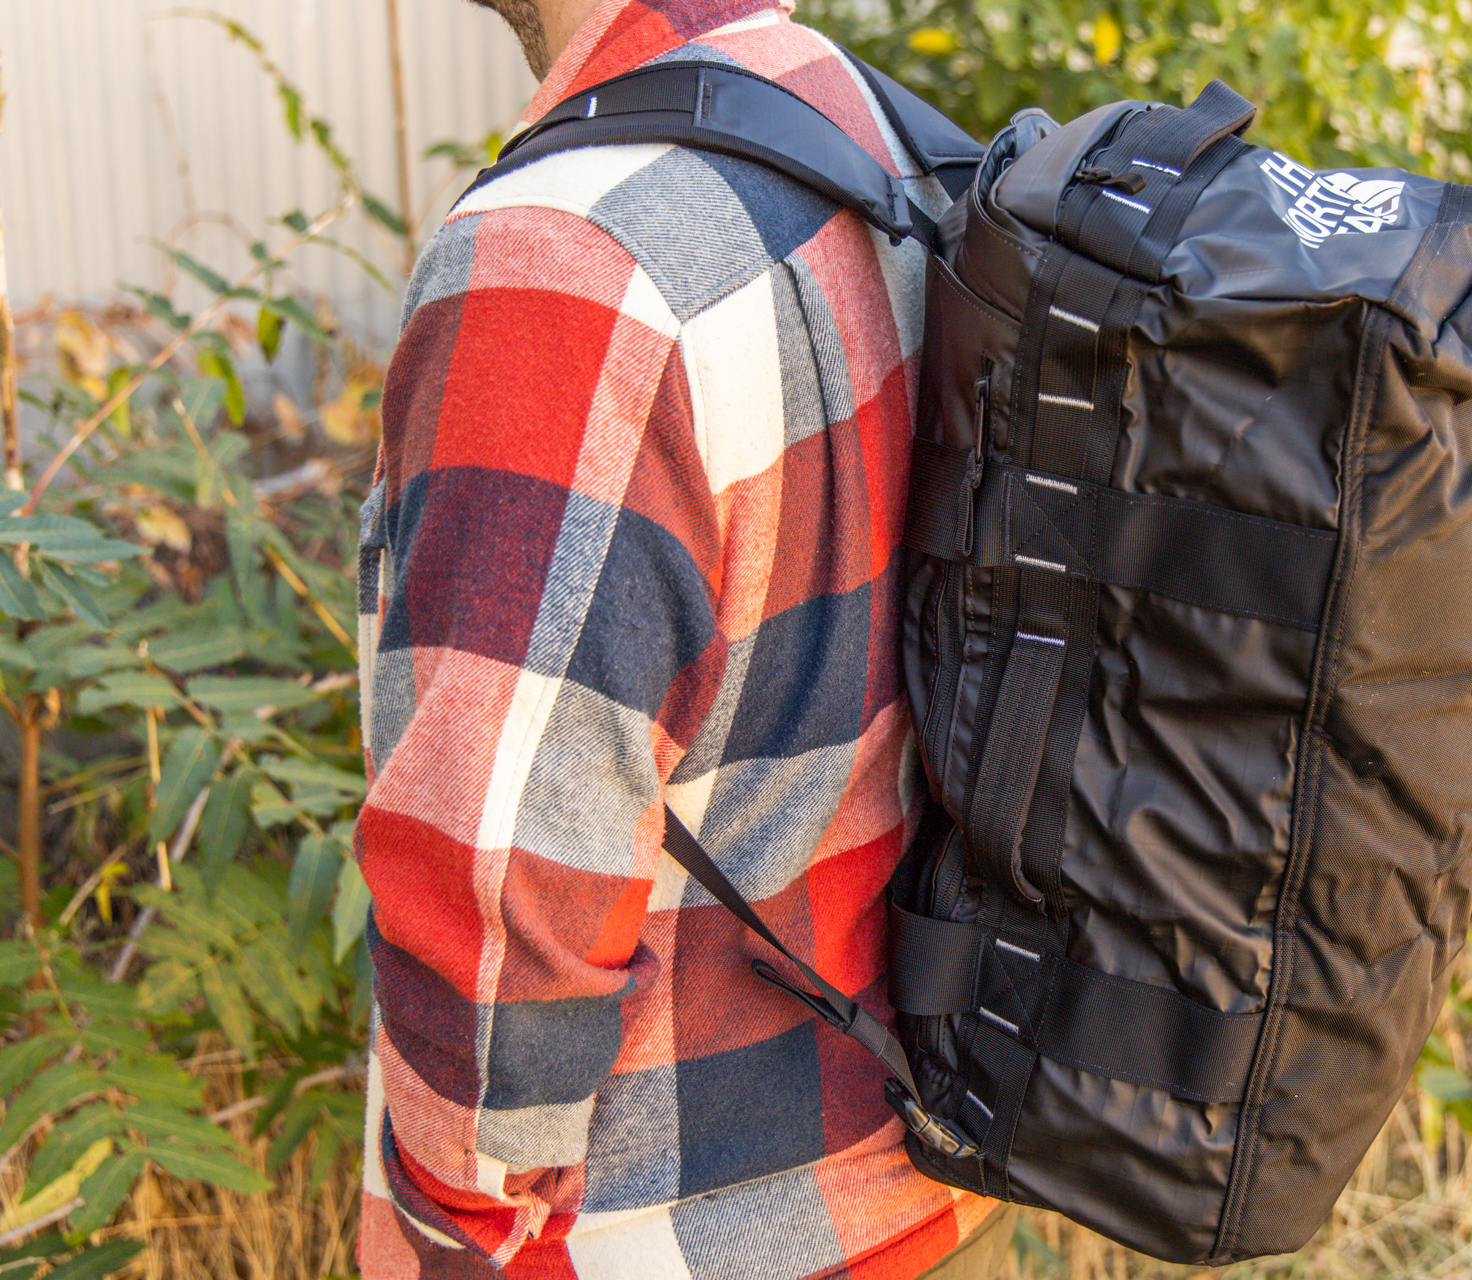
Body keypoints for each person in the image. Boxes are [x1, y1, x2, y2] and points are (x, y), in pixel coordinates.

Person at [352, 1, 1013, 1274]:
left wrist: (451, 1235)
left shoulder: (562, 265)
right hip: (917, 1186)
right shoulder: (858, 122)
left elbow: (502, 914)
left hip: (667, 1236)